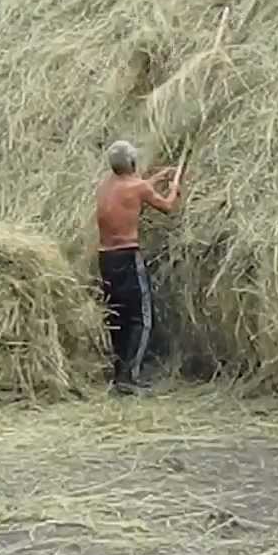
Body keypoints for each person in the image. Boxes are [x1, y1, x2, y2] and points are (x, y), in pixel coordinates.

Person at [94, 140, 181, 395]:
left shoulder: (106, 185)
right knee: (141, 318)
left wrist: (154, 179)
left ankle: (119, 373)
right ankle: (130, 378)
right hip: (127, 256)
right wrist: (173, 188)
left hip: (106, 258)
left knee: (117, 316)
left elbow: (133, 190)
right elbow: (168, 207)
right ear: (132, 162)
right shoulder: (138, 187)